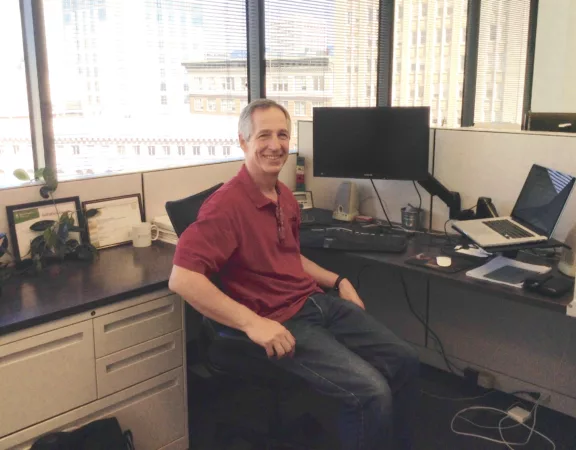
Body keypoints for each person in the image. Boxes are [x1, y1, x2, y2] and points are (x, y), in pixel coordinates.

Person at [169, 99, 419, 450]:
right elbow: (182, 278)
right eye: (264, 135)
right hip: (280, 320)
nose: (275, 145)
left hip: (314, 304)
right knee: (370, 391)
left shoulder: (283, 195)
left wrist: (337, 280)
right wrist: (254, 324)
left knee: (405, 360)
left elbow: (289, 257)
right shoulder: (225, 207)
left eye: (283, 135)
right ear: (243, 141)